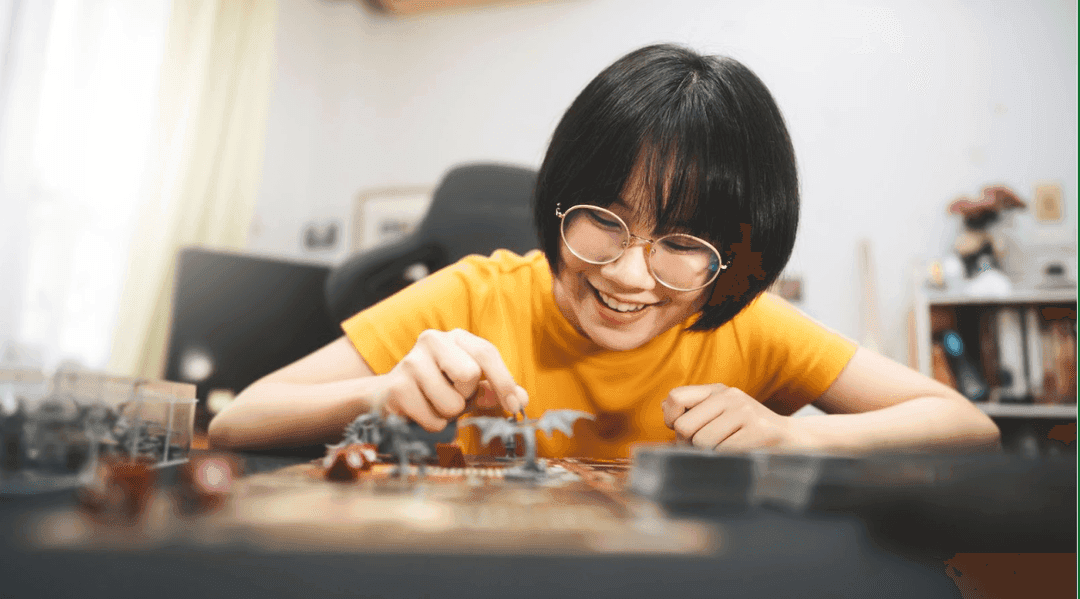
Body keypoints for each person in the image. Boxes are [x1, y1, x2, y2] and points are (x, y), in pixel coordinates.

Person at [207, 44, 1000, 457]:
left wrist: (799, 432)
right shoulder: (476, 296)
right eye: (603, 219)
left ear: (738, 260)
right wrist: (377, 398)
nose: (625, 273)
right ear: (557, 203)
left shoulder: (746, 328)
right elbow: (238, 419)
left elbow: (967, 426)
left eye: (683, 244)